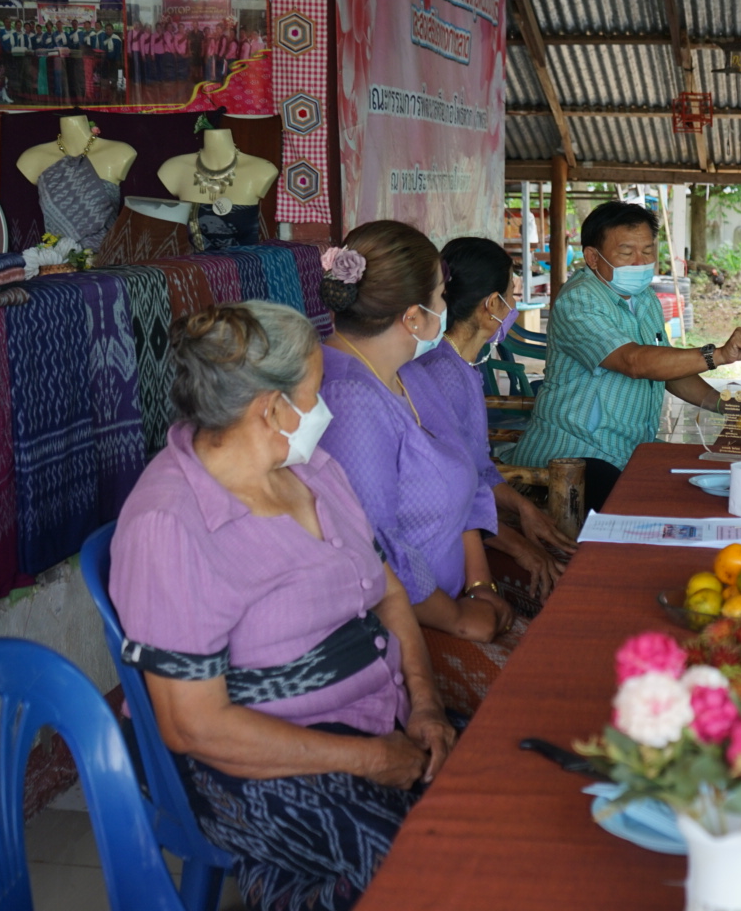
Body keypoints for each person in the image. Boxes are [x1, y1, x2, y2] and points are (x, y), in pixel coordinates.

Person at [109, 302, 454, 911]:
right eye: (317, 392)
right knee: (429, 868)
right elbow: (195, 725)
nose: (326, 410)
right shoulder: (169, 524)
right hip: (251, 766)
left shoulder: (314, 469)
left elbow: (390, 592)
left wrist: (424, 704)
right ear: (270, 408)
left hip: (379, 716)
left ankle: (297, 886)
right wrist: (372, 759)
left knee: (501, 800)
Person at [317, 220, 518, 653]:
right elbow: (375, 545)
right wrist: (459, 618)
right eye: (441, 298)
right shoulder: (350, 399)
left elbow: (468, 478)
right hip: (398, 629)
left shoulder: (411, 376)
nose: (446, 308)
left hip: (452, 603)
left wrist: (480, 585)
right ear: (412, 317)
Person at [511, 201, 741, 511]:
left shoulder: (645, 299)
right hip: (575, 454)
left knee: (707, 483)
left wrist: (725, 406)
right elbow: (633, 362)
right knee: (659, 507)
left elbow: (668, 369)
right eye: (626, 252)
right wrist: (720, 354)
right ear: (593, 257)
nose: (640, 261)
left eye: (647, 251)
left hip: (628, 450)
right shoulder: (579, 299)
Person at [418, 235, 579, 601]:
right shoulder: (442, 372)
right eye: (511, 295)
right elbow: (450, 491)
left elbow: (479, 470)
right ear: (492, 304)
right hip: (439, 549)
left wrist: (523, 509)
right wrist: (519, 548)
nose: (513, 307)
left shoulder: (462, 366)